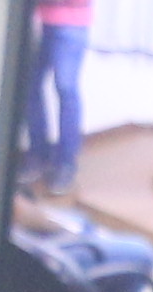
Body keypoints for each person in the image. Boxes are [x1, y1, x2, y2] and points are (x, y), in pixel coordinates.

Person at [24, 0, 93, 193]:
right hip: (41, 23)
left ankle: (66, 163)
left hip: (71, 26)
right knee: (29, 86)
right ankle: (38, 154)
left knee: (66, 90)